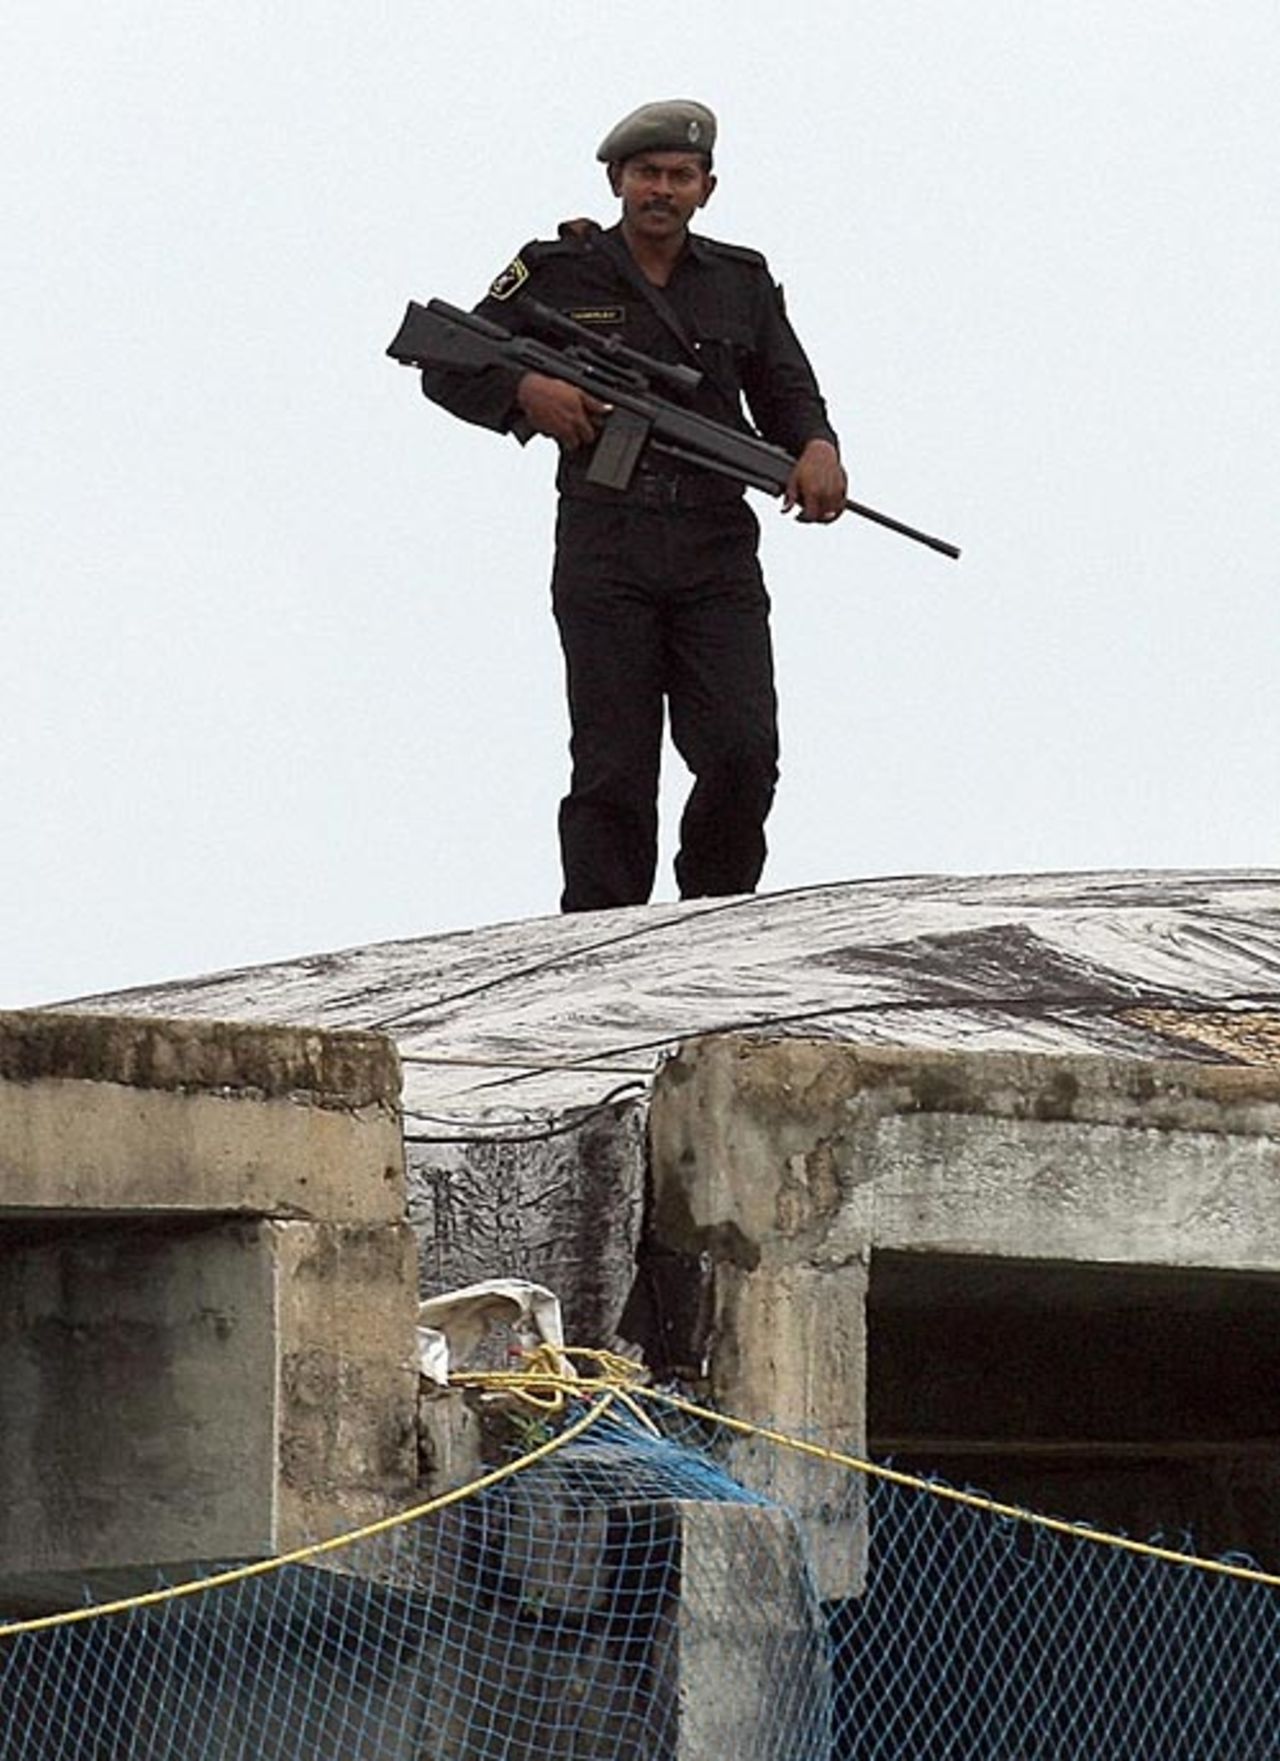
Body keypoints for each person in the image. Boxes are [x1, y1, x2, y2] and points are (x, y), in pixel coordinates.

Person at [421, 99, 847, 914]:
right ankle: (598, 935)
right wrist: (525, 391)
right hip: (605, 540)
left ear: (706, 189)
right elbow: (448, 361)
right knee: (613, 768)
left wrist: (818, 447)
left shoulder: (741, 281)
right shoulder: (554, 272)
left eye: (680, 176)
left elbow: (787, 389)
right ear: (618, 180)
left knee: (741, 752)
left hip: (715, 543)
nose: (662, 189)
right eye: (647, 173)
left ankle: (713, 917)